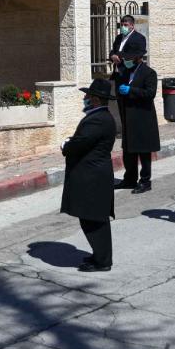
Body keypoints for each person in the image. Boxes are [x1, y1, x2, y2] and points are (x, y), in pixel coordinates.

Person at [60, 78, 118, 272]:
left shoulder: (97, 119)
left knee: (92, 219)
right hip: (94, 173)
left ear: (95, 99)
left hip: (92, 176)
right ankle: (100, 255)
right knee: (93, 217)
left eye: (87, 95)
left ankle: (103, 261)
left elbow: (81, 143)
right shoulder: (100, 117)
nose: (84, 98)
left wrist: (66, 145)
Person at [114, 48, 160, 194]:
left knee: (144, 151)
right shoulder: (126, 72)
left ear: (138, 58)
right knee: (128, 151)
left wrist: (131, 91)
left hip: (143, 118)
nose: (126, 61)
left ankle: (145, 181)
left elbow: (150, 93)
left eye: (128, 59)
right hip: (128, 117)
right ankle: (129, 178)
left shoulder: (149, 73)